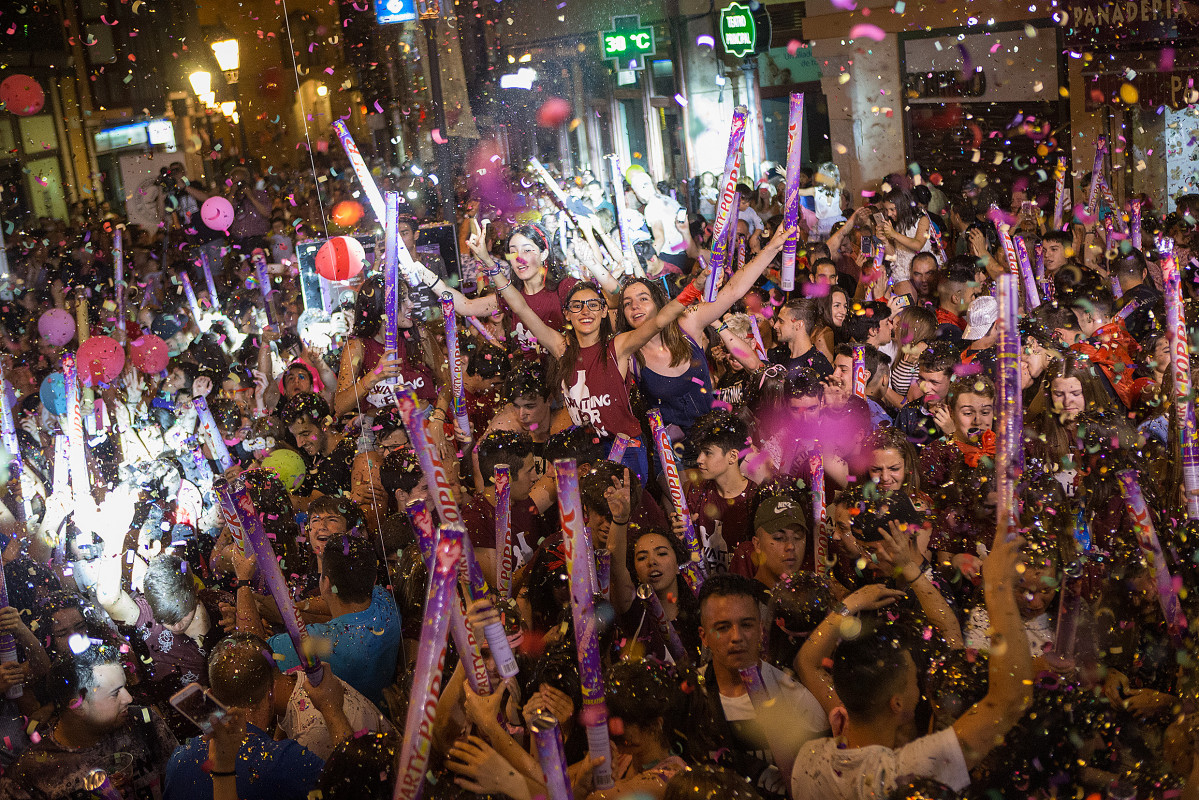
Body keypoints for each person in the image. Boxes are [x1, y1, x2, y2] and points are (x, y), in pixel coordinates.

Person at [792, 516, 1031, 799]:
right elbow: (1009, 700)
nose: (920, 683)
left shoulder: (810, 759)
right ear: (898, 703)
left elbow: (806, 661)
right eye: (912, 678)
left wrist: (851, 604)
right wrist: (998, 587)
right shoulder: (903, 771)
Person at [493, 273, 696, 483]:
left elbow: (659, 321)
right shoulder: (561, 348)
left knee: (624, 511)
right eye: (577, 306)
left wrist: (695, 286)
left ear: (604, 311)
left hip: (625, 448)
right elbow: (522, 309)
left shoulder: (618, 347)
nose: (585, 311)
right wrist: (491, 266)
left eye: (593, 304)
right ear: (567, 314)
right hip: (587, 451)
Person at [164, 635, 357, 800]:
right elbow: (356, 787)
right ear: (271, 692)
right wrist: (332, 709)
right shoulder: (286, 762)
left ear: (212, 695)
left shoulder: (178, 760)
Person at [697, 574, 829, 800]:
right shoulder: (689, 697)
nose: (736, 637)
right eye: (723, 627)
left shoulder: (794, 697)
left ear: (760, 630)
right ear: (704, 636)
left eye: (746, 624)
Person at [233, 532, 401, 710]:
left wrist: (243, 584)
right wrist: (288, 610)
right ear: (373, 579)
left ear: (326, 583)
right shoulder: (385, 603)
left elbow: (250, 654)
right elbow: (342, 605)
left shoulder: (321, 642)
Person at [0, 642, 179, 800]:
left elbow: (182, 781)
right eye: (115, 693)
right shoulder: (30, 772)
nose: (129, 699)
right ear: (78, 706)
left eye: (125, 687)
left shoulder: (143, 722)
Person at [768, 298, 833, 379]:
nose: (775, 326)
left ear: (798, 325)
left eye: (781, 321)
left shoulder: (819, 366)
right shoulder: (778, 355)